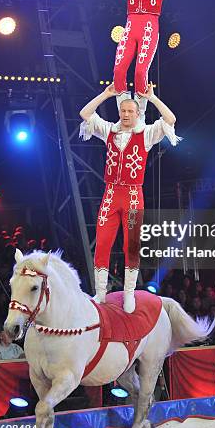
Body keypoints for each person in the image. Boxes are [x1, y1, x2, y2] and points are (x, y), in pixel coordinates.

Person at [79, 82, 179, 313]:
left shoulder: (146, 134)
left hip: (133, 196)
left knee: (130, 246)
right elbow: (85, 114)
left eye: (130, 111)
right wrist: (106, 94)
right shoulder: (109, 131)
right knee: (102, 243)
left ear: (137, 113)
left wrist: (152, 98)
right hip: (110, 194)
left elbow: (170, 119)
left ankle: (129, 293)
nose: (126, 115)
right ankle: (100, 293)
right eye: (123, 111)